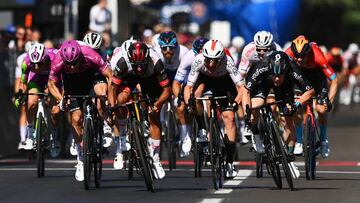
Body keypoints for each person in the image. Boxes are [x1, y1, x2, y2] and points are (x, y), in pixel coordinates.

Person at [242, 51, 315, 179]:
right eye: (274, 75)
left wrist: (296, 105)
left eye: (280, 75)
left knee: (288, 119)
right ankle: (257, 134)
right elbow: (246, 91)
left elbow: (310, 90)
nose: (276, 78)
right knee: (255, 106)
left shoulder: (293, 69)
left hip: (285, 87)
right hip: (263, 83)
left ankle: (290, 158)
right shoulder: (262, 66)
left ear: (286, 70)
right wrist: (247, 111)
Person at [48, 40, 112, 182]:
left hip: (91, 75)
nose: (71, 66)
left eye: (74, 62)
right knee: (76, 118)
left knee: (100, 97)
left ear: (80, 57)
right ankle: (81, 158)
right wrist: (61, 98)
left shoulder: (90, 54)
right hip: (72, 82)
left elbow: (109, 75)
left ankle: (103, 125)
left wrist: (108, 98)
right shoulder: (58, 60)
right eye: (68, 64)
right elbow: (51, 83)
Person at [109, 41, 171, 179]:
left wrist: (157, 104)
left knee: (154, 115)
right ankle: (122, 139)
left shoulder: (156, 61)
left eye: (141, 65)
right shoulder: (122, 62)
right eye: (136, 65)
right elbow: (112, 88)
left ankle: (155, 159)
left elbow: (167, 90)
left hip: (149, 79)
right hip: (127, 78)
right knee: (120, 100)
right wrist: (113, 108)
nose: (138, 69)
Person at [184, 39, 243, 179]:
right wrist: (188, 103)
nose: (211, 64)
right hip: (205, 80)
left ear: (221, 58)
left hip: (224, 82)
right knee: (196, 96)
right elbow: (188, 87)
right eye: (208, 60)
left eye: (215, 60)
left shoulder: (228, 62)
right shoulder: (198, 61)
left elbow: (241, 88)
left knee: (229, 118)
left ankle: (229, 162)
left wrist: (235, 103)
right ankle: (203, 128)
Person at [285, 35, 338, 158]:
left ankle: (324, 140)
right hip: (300, 76)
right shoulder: (288, 54)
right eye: (296, 56)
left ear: (308, 53)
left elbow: (334, 80)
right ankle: (299, 140)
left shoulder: (318, 56)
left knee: (321, 109)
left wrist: (329, 101)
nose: (299, 59)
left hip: (317, 76)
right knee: (297, 108)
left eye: (302, 56)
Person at [238, 31, 283, 147]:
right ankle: (253, 128)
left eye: (265, 49)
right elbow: (241, 76)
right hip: (255, 76)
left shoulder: (278, 50)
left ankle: (274, 126)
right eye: (259, 49)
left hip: (271, 75)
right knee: (255, 105)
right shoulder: (248, 50)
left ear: (271, 46)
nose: (262, 52)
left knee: (273, 105)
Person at [15, 43, 61, 151]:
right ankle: (30, 135)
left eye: (39, 63)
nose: (36, 67)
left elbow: (61, 79)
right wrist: (20, 96)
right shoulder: (26, 62)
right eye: (34, 64)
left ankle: (54, 135)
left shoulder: (55, 58)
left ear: (45, 58)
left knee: (55, 111)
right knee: (32, 102)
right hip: (36, 79)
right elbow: (23, 82)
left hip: (52, 79)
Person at [172, 37, 208, 157]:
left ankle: (206, 127)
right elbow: (177, 82)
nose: (200, 56)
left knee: (206, 103)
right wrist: (179, 97)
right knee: (181, 107)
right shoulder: (188, 58)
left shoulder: (213, 57)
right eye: (198, 52)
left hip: (208, 81)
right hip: (191, 82)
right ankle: (186, 136)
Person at [14, 41, 34, 149]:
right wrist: (18, 94)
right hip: (27, 82)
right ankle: (23, 139)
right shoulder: (22, 59)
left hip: (38, 80)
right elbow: (19, 79)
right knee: (24, 109)